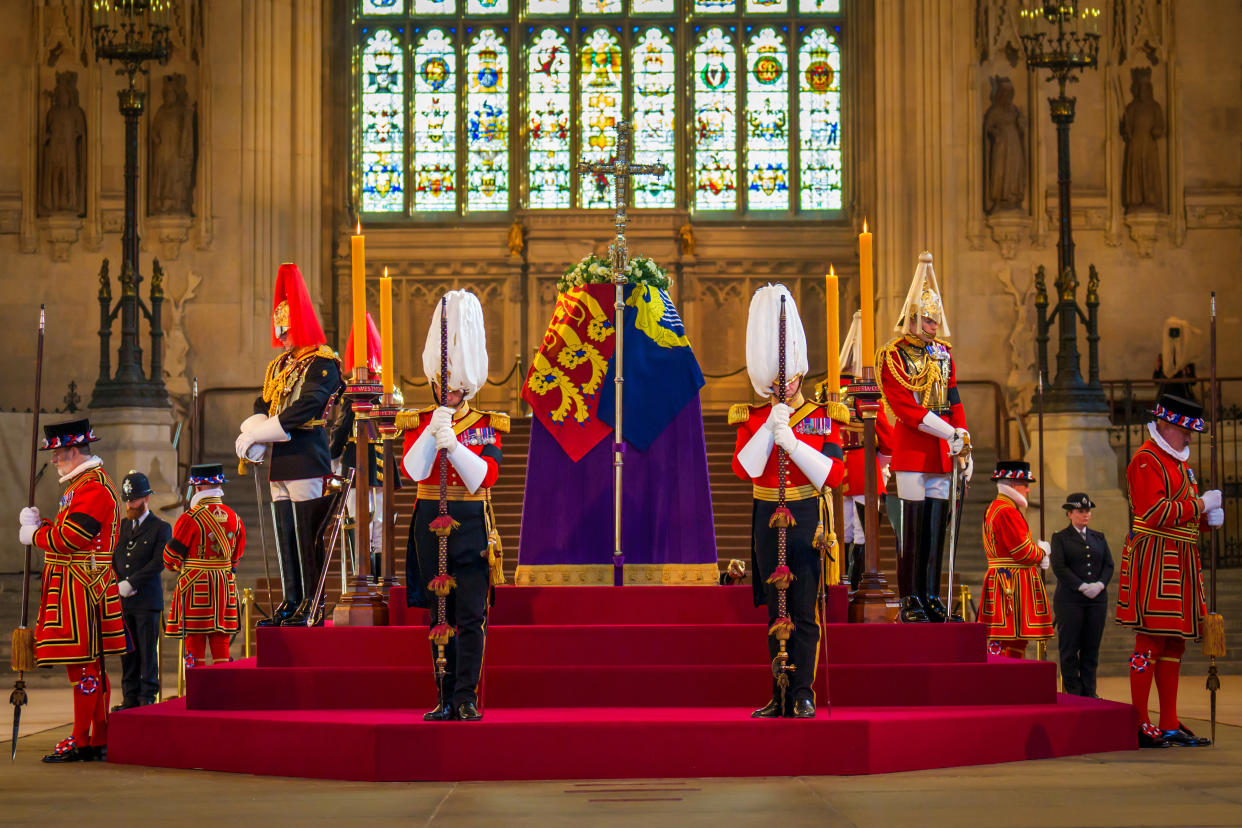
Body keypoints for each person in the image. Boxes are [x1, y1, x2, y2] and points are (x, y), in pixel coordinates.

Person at [732, 284, 846, 719]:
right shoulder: (753, 416)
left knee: (802, 610)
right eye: (778, 380)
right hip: (766, 514)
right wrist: (767, 431)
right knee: (773, 609)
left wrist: (794, 444)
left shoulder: (821, 415)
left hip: (805, 514)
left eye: (792, 377)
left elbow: (835, 474)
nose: (786, 384)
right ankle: (777, 691)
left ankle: (803, 691)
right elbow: (744, 470)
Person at [401, 290, 506, 722]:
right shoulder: (420, 421)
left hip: (470, 524)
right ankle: (443, 695)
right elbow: (413, 469)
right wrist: (433, 431)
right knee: (437, 616)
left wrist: (455, 447)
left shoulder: (485, 425)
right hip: (430, 523)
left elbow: (485, 477)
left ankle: (466, 696)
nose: (449, 387)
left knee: (470, 617)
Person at [235, 262, 343, 626]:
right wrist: (250, 432)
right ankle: (292, 599)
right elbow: (262, 403)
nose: (281, 336)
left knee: (306, 534)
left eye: (286, 328)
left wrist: (262, 432)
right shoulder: (280, 365)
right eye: (278, 328)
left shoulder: (323, 362)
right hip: (281, 458)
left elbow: (308, 405)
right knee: (285, 534)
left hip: (306, 453)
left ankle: (312, 603)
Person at [1116, 393, 1220, 748]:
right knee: (1150, 639)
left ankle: (1171, 722)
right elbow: (1156, 512)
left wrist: (1206, 519)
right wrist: (1200, 503)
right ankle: (1141, 721)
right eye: (1186, 432)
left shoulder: (1178, 463)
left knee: (1175, 642)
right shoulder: (1146, 460)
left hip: (1180, 556)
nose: (1190, 438)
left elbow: (1182, 517)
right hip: (1157, 558)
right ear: (1167, 426)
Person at [19, 418, 125, 762]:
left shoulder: (91, 487)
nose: (54, 460)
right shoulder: (81, 485)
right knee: (89, 668)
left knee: (83, 667)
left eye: (58, 453)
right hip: (81, 584)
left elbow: (71, 539)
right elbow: (69, 532)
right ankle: (95, 736)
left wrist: (35, 535)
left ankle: (84, 739)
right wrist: (42, 525)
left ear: (74, 451)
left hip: (82, 588)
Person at [877, 252, 971, 622]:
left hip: (943, 449)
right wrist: (950, 432)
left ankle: (931, 595)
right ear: (913, 318)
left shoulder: (944, 354)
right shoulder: (893, 355)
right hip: (915, 447)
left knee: (937, 526)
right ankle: (909, 598)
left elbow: (955, 398)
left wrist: (964, 441)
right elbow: (906, 409)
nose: (934, 326)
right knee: (913, 531)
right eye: (928, 319)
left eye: (936, 319)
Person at [164, 464, 246, 667]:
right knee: (222, 645)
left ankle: (198, 694)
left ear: (197, 488)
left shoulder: (189, 519)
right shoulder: (235, 518)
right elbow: (235, 558)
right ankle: (222, 695)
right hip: (225, 588)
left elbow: (170, 559)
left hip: (196, 588)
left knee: (194, 645)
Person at [834, 310, 893, 590]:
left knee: (840, 531)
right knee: (863, 534)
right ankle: (858, 588)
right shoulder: (866, 395)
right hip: (862, 470)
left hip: (836, 467)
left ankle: (840, 584)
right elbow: (888, 439)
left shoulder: (829, 395)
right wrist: (883, 462)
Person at [977, 461, 1053, 658]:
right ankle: (1002, 681)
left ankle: (1008, 679)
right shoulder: (1007, 511)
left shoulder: (997, 507)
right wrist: (1042, 552)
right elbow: (1023, 552)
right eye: (1025, 484)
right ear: (1012, 484)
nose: (1028, 490)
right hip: (1011, 582)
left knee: (1013, 638)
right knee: (1006, 638)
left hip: (1004, 578)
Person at [111, 470, 171, 709]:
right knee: (128, 653)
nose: (129, 504)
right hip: (124, 600)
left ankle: (147, 696)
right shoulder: (122, 527)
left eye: (133, 499)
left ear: (146, 499)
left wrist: (132, 583)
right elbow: (114, 557)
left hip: (146, 600)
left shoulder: (160, 528)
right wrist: (119, 582)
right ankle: (130, 696)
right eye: (127, 500)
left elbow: (159, 562)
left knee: (147, 653)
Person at [1050, 492, 1114, 698]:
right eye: (1080, 511)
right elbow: (1059, 567)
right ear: (1070, 513)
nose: (1085, 515)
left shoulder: (1099, 537)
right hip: (1070, 600)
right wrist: (1080, 586)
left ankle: (1090, 691)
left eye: (1087, 511)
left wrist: (1100, 584)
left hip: (1096, 601)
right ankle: (1074, 691)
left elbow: (1108, 565)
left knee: (1091, 647)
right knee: (1069, 649)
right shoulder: (1060, 538)